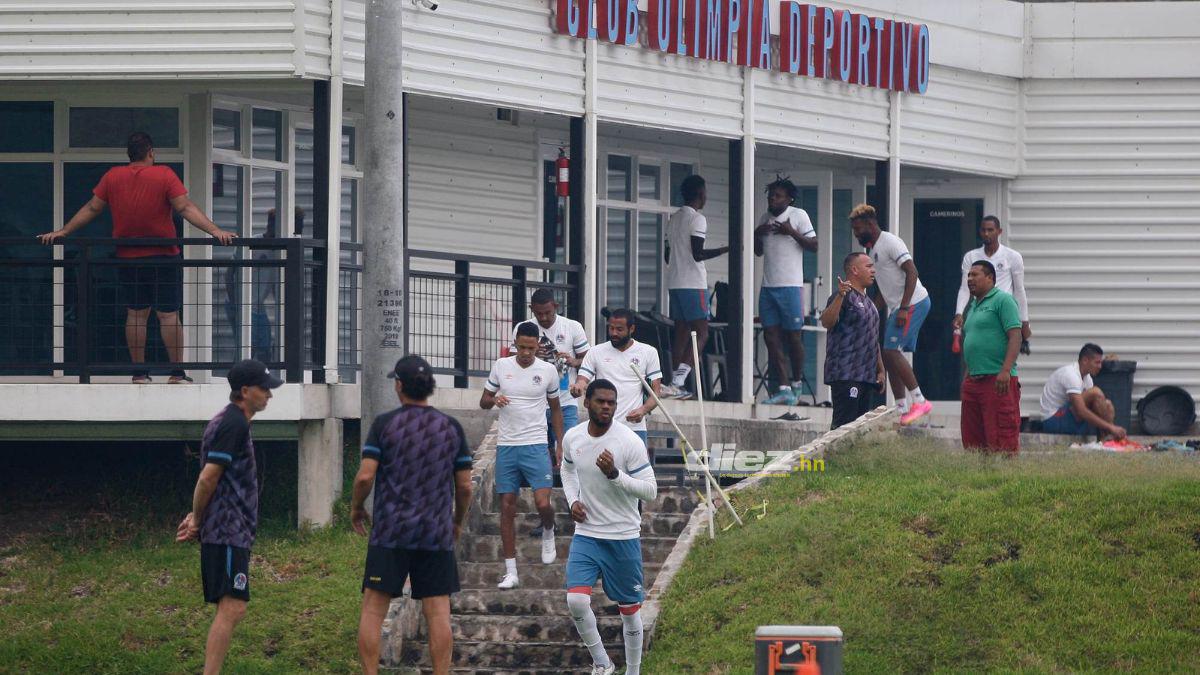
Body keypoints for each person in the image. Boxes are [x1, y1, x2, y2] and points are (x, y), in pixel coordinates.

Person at [40, 131, 234, 383]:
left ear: (129, 154)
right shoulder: (164, 174)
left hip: (128, 256)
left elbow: (92, 208)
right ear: (151, 152)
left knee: (136, 314)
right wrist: (215, 231)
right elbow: (184, 207)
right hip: (163, 256)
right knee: (167, 314)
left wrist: (63, 231)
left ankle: (139, 373)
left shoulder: (112, 177)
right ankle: (176, 372)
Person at [351, 355, 473, 675]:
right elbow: (464, 487)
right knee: (438, 613)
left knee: (374, 609)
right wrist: (456, 521)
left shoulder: (384, 425)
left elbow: (365, 477)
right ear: (429, 386)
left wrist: (355, 509)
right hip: (435, 532)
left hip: (391, 531)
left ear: (399, 385)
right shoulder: (451, 428)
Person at [174, 359, 283, 675]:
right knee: (233, 605)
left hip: (230, 529)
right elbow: (208, 477)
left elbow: (213, 481)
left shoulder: (231, 421)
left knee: (232, 606)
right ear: (245, 391)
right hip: (227, 531)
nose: (269, 396)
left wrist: (196, 514)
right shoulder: (233, 424)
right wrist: (196, 519)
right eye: (265, 389)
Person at [561, 379, 657, 675]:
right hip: (588, 534)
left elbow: (651, 491)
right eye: (601, 401)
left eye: (612, 403)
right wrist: (572, 500)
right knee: (576, 600)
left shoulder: (628, 441)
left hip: (622, 536)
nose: (606, 407)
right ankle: (602, 663)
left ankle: (634, 671)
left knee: (629, 612)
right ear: (586, 402)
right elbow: (567, 468)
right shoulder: (573, 438)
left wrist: (615, 474)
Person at [482, 321, 565, 589]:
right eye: (521, 347)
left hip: (536, 443)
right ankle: (511, 571)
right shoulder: (501, 366)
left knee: (543, 503)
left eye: (531, 348)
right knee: (507, 504)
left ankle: (549, 529)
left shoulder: (548, 371)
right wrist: (495, 400)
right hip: (507, 445)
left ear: (538, 346)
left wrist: (559, 443)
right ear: (514, 344)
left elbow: (556, 409)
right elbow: (483, 401)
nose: (526, 353)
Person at [849, 204, 933, 425]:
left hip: (914, 302)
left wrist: (904, 308)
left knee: (890, 351)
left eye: (858, 229)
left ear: (870, 224)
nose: (856, 234)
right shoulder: (873, 250)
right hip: (898, 306)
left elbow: (912, 271)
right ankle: (902, 410)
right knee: (888, 355)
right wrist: (870, 310)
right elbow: (883, 289)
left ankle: (920, 401)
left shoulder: (890, 242)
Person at [662, 174, 729, 399]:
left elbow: (666, 255)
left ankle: (674, 383)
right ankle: (678, 381)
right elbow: (698, 253)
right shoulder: (697, 219)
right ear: (701, 194)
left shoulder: (673, 219)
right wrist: (724, 249)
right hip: (693, 283)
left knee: (681, 332)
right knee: (702, 332)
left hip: (675, 282)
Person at [755, 176, 818, 405]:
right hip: (768, 286)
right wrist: (757, 233)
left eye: (778, 195)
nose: (773, 199)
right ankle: (783, 388)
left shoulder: (798, 215)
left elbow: (814, 245)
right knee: (770, 337)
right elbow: (758, 252)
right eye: (771, 195)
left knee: (793, 336)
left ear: (788, 198)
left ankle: (797, 382)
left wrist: (791, 231)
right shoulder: (765, 218)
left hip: (791, 286)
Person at [511, 287, 589, 469]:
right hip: (534, 402)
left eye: (548, 312)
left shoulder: (572, 327)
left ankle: (569, 489)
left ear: (556, 306)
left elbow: (589, 360)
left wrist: (572, 361)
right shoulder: (523, 328)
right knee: (540, 455)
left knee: (569, 449)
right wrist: (533, 357)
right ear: (531, 309)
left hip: (565, 401)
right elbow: (511, 362)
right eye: (539, 314)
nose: (544, 318)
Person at [570, 308, 663, 446]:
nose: (614, 333)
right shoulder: (596, 351)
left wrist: (643, 410)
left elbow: (655, 393)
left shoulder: (648, 352)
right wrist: (577, 387)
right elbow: (583, 379)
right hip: (602, 427)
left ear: (631, 329)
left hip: (633, 428)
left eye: (619, 329)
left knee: (636, 468)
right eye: (611, 328)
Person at [960, 261, 1023, 454]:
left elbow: (1015, 335)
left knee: (1001, 438)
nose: (970, 279)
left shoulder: (1003, 300)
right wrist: (967, 375)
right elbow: (973, 342)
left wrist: (1005, 370)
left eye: (975, 275)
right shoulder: (972, 307)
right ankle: (979, 480)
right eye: (968, 275)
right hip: (974, 380)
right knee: (973, 439)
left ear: (990, 278)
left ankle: (1004, 480)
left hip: (998, 379)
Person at [820, 253, 884, 430]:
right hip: (846, 374)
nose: (873, 271)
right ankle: (833, 458)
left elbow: (872, 337)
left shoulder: (869, 304)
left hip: (866, 376)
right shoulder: (842, 297)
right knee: (843, 428)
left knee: (860, 430)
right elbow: (827, 322)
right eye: (868, 266)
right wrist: (840, 295)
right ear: (854, 270)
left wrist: (880, 370)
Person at [953, 215, 1031, 351]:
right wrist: (959, 313)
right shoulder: (971, 256)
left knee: (1002, 351)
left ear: (999, 231)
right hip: (980, 309)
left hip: (1003, 310)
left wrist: (1024, 320)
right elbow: (965, 288)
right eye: (983, 230)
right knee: (977, 349)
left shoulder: (1012, 256)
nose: (986, 233)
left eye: (990, 230)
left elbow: (1019, 290)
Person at [1041, 343, 1126, 440]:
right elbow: (1080, 411)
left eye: (1100, 363)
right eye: (1097, 362)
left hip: (1069, 419)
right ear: (1085, 360)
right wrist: (1111, 427)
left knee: (1108, 405)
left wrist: (1108, 420)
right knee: (1095, 392)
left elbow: (1096, 407)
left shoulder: (1087, 378)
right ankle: (1110, 436)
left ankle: (1106, 439)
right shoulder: (1071, 374)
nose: (1100, 366)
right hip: (1053, 421)